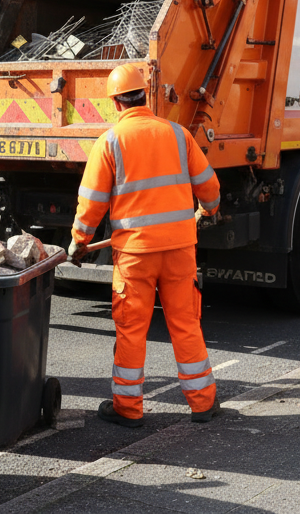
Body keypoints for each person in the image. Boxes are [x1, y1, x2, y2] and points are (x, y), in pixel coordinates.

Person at [69, 63, 222, 428]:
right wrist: (209, 210)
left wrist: (78, 242)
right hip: (180, 248)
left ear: (115, 103)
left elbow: (91, 203)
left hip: (135, 255)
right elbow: (209, 187)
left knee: (132, 330)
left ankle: (128, 408)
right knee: (185, 324)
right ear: (145, 96)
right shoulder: (177, 134)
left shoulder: (110, 142)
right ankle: (203, 404)